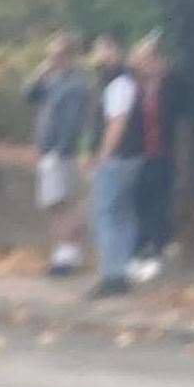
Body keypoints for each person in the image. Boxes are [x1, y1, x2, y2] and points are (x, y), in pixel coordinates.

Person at [127, 33, 191, 284]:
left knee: (158, 204)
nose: (146, 64)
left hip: (163, 154)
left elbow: (181, 122)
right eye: (142, 60)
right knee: (139, 204)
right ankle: (141, 252)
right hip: (139, 155)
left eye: (150, 59)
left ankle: (156, 252)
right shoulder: (135, 87)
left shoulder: (172, 85)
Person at [24, 32, 88, 277]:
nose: (53, 60)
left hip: (59, 152)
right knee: (54, 204)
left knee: (61, 203)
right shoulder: (51, 81)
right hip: (48, 150)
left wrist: (59, 150)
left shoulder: (75, 84)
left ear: (69, 56)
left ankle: (67, 254)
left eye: (58, 55)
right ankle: (65, 251)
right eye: (50, 55)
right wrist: (39, 75)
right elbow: (28, 96)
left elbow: (72, 121)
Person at [85, 36, 142, 299]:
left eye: (102, 50)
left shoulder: (117, 82)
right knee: (124, 214)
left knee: (107, 215)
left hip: (117, 158)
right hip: (129, 157)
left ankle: (111, 275)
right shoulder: (121, 80)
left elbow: (116, 122)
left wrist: (103, 156)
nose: (98, 55)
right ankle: (122, 271)